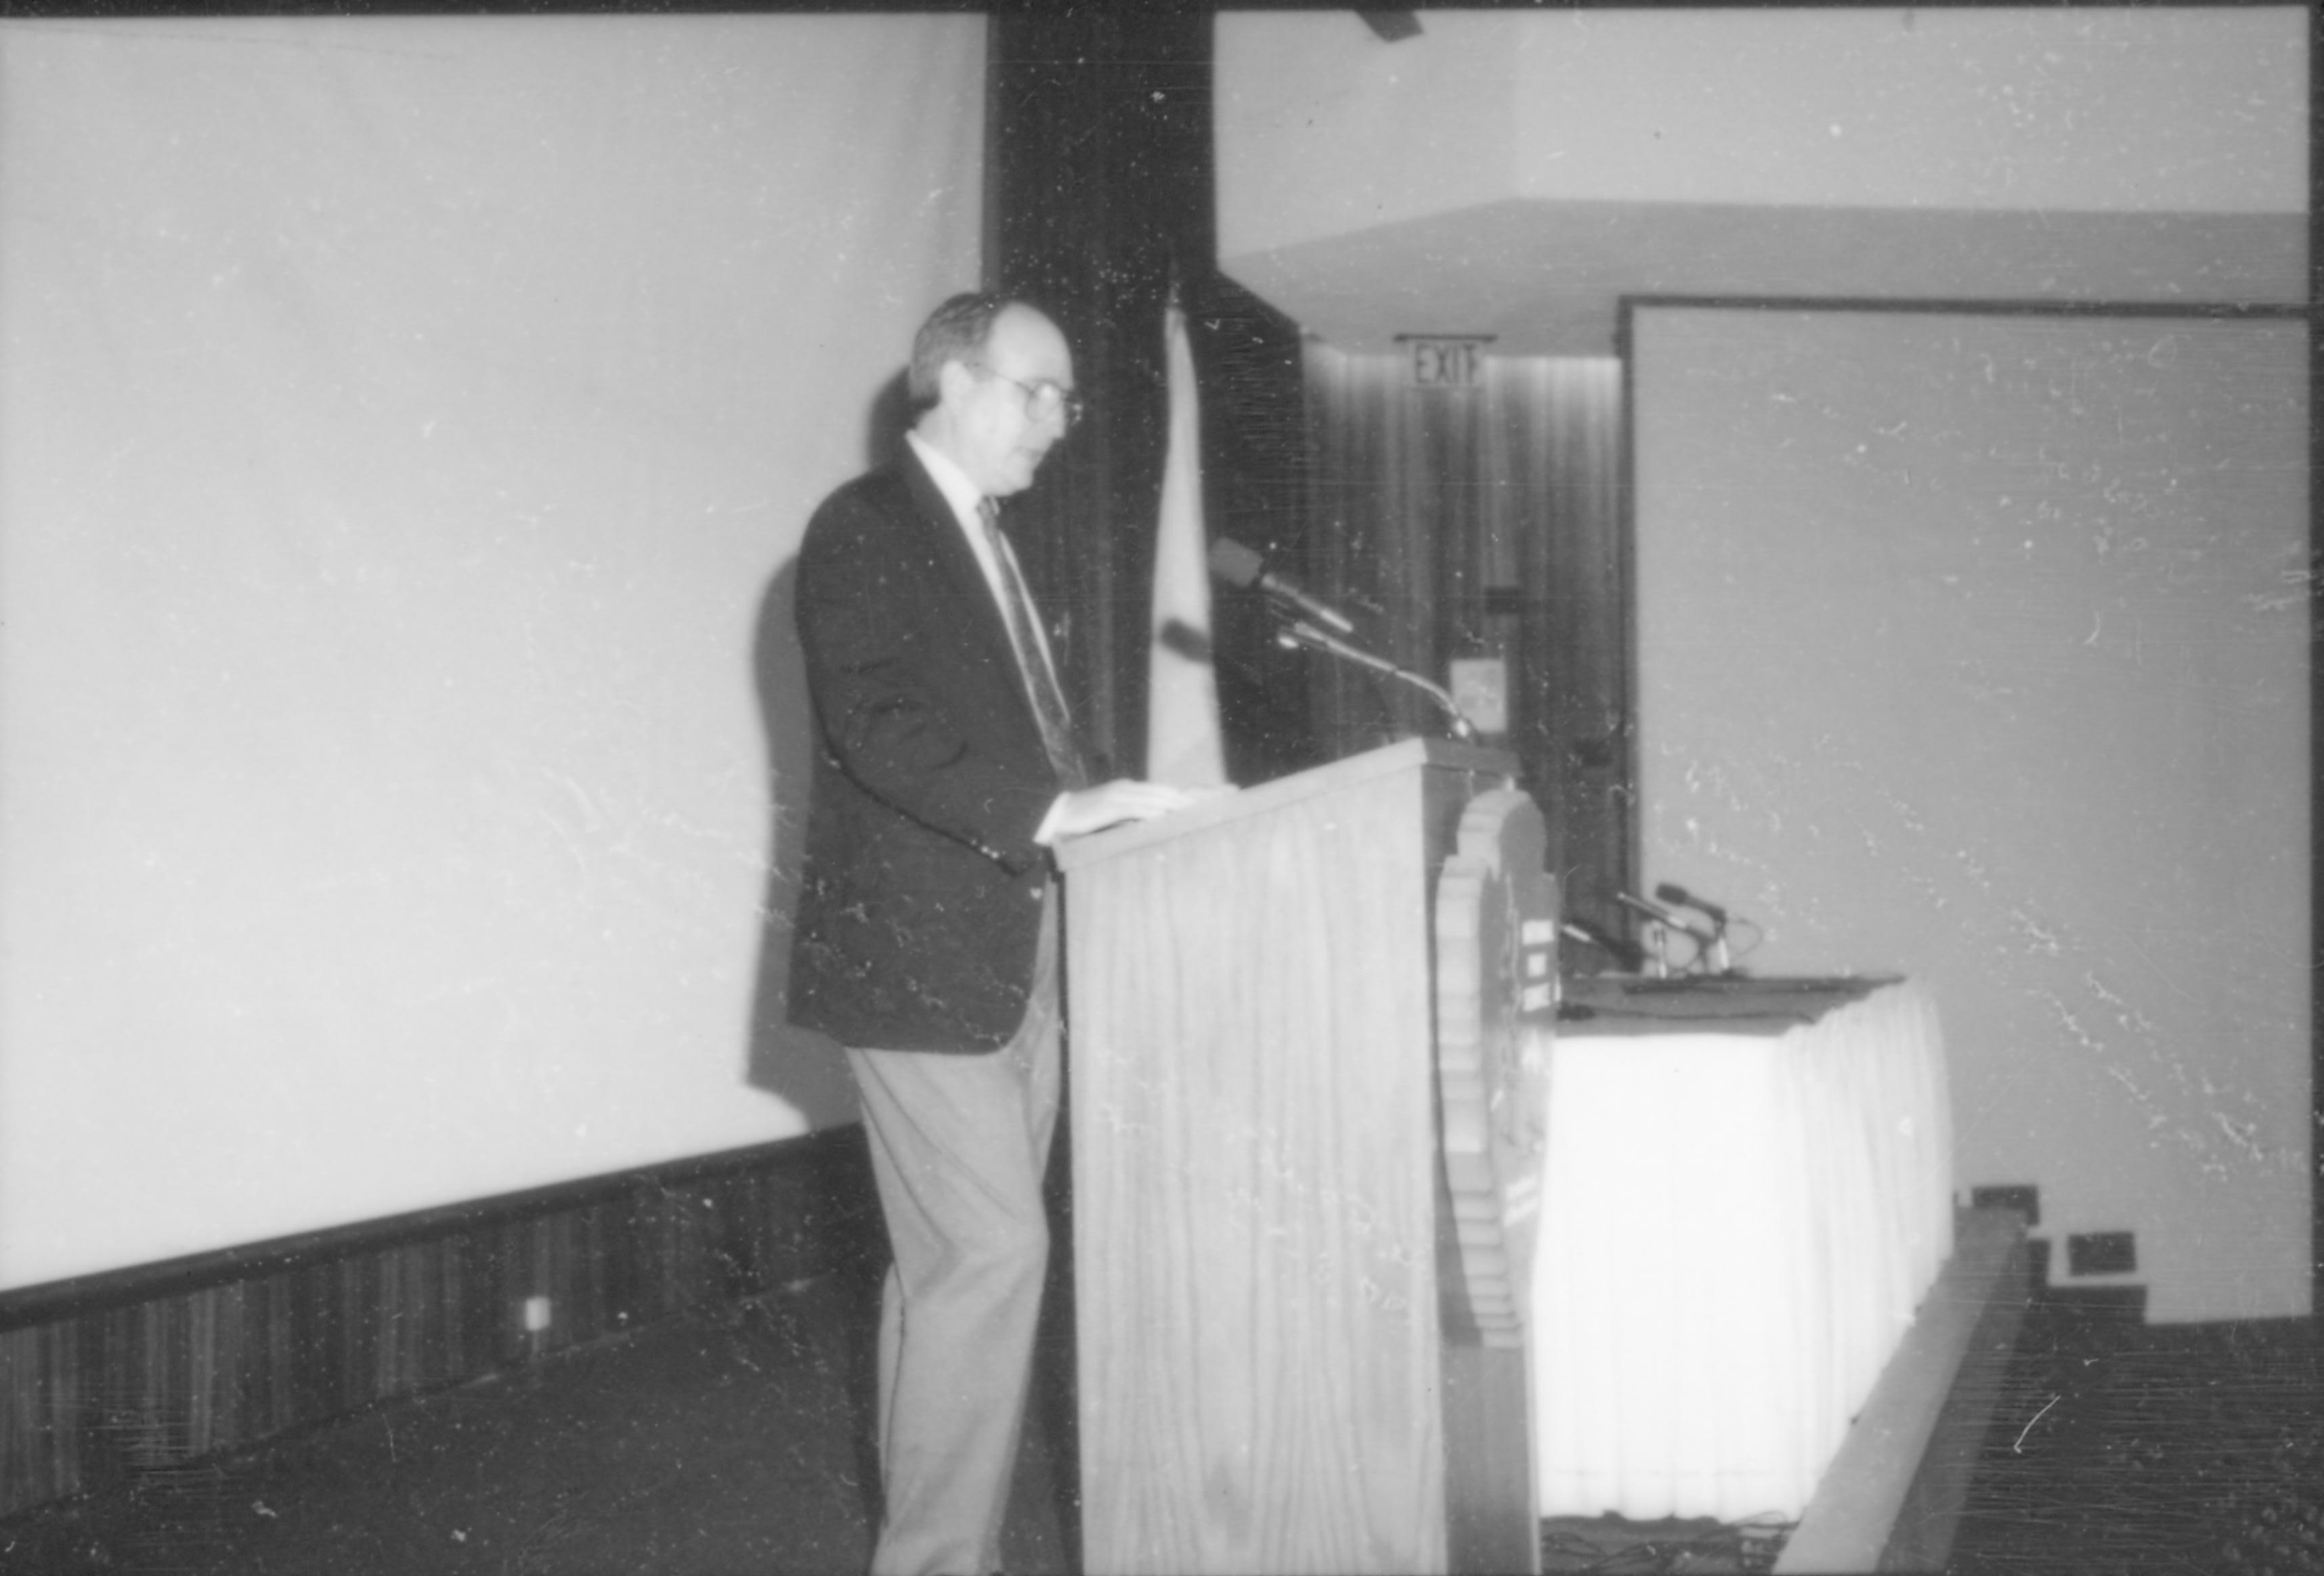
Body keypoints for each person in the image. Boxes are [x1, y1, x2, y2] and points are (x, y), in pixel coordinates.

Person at [787, 292, 1190, 1576]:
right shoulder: (864, 528)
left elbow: (1036, 743)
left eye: (1068, 398)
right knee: (996, 1252)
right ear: (955, 384)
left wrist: (1123, 807)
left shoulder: (996, 544)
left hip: (1024, 958)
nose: (1060, 421)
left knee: (948, 1271)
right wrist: (1053, 807)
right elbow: (876, 725)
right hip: (915, 964)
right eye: (1038, 391)